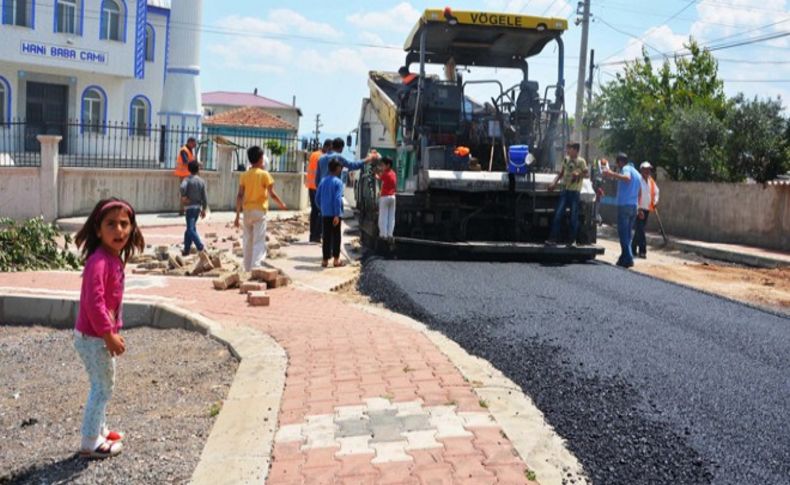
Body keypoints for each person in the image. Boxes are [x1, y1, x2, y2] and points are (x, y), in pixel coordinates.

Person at [73, 197, 145, 459]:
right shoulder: (99, 262)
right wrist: (108, 334)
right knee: (101, 387)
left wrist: (115, 329)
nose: (119, 231)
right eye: (111, 224)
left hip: (98, 336)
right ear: (98, 229)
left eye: (124, 224)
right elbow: (95, 303)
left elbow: (111, 302)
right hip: (93, 337)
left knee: (105, 383)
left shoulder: (111, 259)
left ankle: (99, 429)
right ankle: (90, 441)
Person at [234, 146, 287, 272]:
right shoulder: (265, 175)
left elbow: (240, 195)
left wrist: (237, 216)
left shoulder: (244, 175)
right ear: (260, 159)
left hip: (247, 211)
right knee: (259, 240)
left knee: (247, 240)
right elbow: (272, 193)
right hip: (259, 211)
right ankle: (256, 266)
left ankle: (247, 267)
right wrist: (282, 204)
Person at [603, 153, 642, 268]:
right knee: (628, 234)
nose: (618, 166)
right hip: (633, 206)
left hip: (624, 206)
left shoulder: (626, 169)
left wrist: (611, 173)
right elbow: (639, 192)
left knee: (623, 234)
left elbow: (626, 178)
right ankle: (623, 257)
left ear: (620, 162)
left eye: (617, 163)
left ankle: (629, 258)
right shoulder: (638, 174)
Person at [547, 142, 588, 246]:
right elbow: (561, 173)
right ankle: (553, 239)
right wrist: (554, 183)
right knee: (558, 215)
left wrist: (578, 174)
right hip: (565, 191)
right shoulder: (566, 159)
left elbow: (586, 173)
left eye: (569, 149)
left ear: (575, 150)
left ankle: (572, 240)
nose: (567, 151)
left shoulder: (581, 161)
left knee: (574, 217)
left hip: (575, 193)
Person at [180, 161, 211, 268]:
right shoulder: (201, 181)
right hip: (197, 208)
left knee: (190, 229)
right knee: (190, 228)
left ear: (189, 169)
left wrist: (184, 196)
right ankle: (186, 249)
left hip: (189, 207)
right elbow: (205, 196)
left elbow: (182, 187)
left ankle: (200, 246)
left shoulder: (186, 180)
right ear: (198, 169)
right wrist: (204, 209)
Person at [315, 159, 346, 268]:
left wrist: (322, 208)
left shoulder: (323, 181)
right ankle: (336, 260)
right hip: (335, 214)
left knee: (326, 237)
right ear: (337, 169)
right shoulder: (338, 182)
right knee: (336, 237)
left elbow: (317, 198)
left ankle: (325, 260)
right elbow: (337, 198)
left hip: (325, 214)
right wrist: (337, 214)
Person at [631, 161, 660, 259]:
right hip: (639, 208)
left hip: (647, 208)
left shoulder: (651, 181)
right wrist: (638, 209)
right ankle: (642, 251)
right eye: (646, 169)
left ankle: (632, 248)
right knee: (641, 230)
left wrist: (655, 201)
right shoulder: (638, 180)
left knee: (639, 230)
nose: (648, 171)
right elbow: (634, 194)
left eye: (649, 169)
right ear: (641, 170)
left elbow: (656, 192)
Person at [306, 139, 332, 243]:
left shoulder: (314, 154)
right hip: (318, 187)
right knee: (321, 211)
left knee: (314, 211)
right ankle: (317, 235)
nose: (330, 151)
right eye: (330, 148)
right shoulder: (322, 157)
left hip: (311, 185)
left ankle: (313, 235)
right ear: (326, 146)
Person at [174, 137, 197, 215]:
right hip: (183, 175)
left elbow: (190, 160)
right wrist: (195, 163)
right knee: (184, 192)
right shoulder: (184, 150)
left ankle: (185, 210)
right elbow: (185, 162)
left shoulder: (189, 150)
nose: (195, 145)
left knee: (187, 193)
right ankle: (181, 210)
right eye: (194, 144)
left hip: (187, 174)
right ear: (190, 142)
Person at [377, 157, 397, 241]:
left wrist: (375, 174)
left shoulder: (385, 173)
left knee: (383, 216)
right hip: (393, 197)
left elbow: (379, 178)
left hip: (385, 197)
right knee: (391, 217)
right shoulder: (393, 173)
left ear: (388, 165)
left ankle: (383, 235)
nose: (382, 167)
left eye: (383, 165)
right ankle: (390, 234)